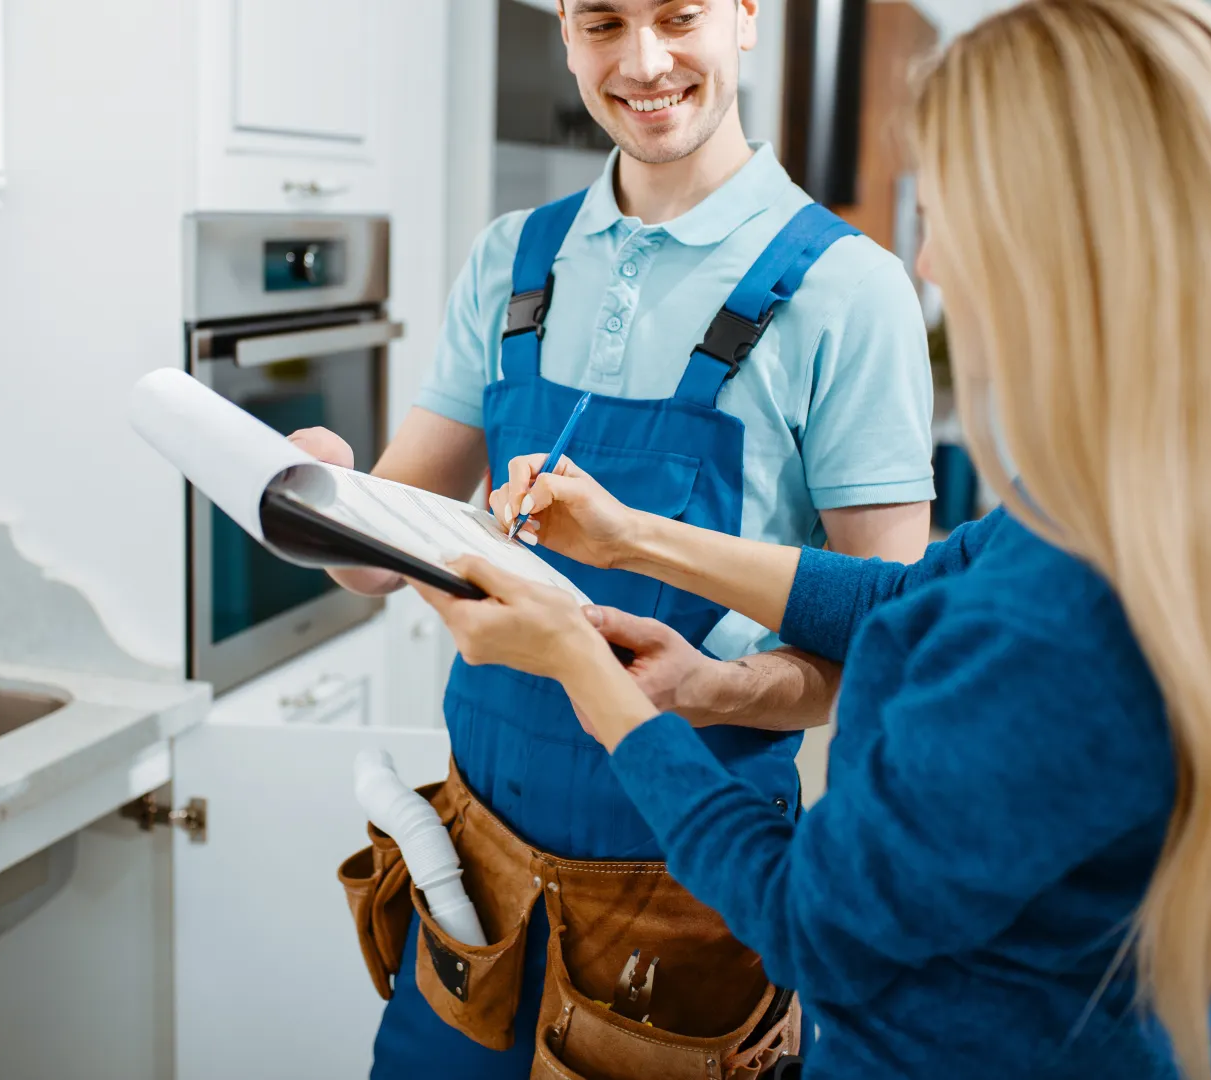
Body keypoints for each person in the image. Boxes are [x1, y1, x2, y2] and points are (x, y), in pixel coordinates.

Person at [412, 1, 1211, 1078]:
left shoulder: (1053, 626)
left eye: (954, 211)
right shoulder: (1102, 531)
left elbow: (811, 918)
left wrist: (585, 666)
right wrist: (637, 540)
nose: (934, 261)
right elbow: (900, 599)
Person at [302, 1, 936, 1075]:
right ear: (562, 26)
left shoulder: (850, 291)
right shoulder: (513, 259)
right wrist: (319, 498)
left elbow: (895, 646)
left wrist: (707, 689)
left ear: (742, 16)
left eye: (678, 15)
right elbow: (381, 550)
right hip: (472, 885)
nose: (643, 63)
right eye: (602, 21)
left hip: (692, 901)